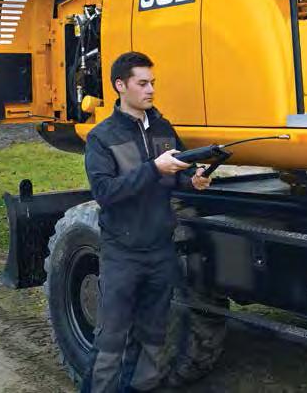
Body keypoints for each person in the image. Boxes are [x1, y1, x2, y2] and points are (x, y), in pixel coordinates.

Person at [82, 51, 211, 393]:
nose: (151, 90)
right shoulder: (101, 137)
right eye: (143, 83)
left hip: (160, 249)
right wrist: (154, 168)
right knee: (111, 337)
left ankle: (141, 388)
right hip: (122, 252)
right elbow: (105, 192)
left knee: (154, 334)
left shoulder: (164, 129)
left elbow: (176, 176)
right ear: (120, 86)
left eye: (152, 82)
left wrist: (192, 179)